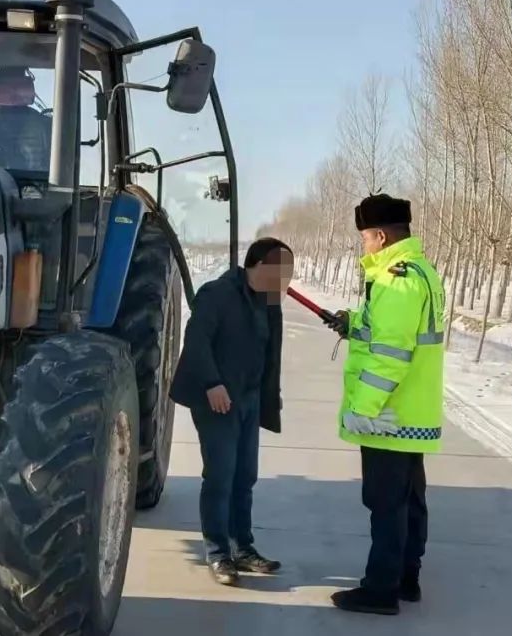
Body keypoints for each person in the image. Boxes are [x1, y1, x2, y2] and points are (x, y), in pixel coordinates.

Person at [323, 194, 446, 616]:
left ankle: (380, 590)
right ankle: (406, 578)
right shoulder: (420, 272)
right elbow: (390, 329)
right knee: (409, 500)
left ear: (379, 235)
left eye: (364, 238)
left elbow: (391, 352)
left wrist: (366, 408)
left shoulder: (395, 279)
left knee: (385, 503)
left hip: (389, 415)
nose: (363, 245)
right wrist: (352, 322)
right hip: (412, 413)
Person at [169, 237, 293, 586]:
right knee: (221, 477)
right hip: (217, 399)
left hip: (249, 400)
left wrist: (270, 395)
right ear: (259, 267)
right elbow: (195, 340)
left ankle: (244, 548)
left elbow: (271, 353)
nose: (286, 282)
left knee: (245, 476)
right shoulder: (218, 294)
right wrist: (212, 383)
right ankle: (218, 553)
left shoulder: (269, 303)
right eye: (281, 273)